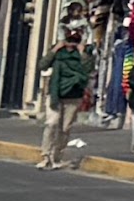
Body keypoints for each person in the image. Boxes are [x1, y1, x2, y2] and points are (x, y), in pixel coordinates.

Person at [37, 17, 94, 167]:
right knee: (51, 123)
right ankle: (45, 155)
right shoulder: (57, 52)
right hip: (56, 93)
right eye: (69, 37)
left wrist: (82, 52)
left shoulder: (84, 54)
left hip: (73, 95)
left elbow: (88, 70)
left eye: (75, 38)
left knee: (65, 127)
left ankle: (57, 156)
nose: (71, 41)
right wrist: (55, 49)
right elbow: (42, 65)